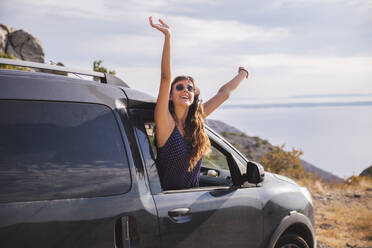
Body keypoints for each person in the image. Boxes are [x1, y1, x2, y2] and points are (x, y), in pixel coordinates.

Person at [149, 16, 249, 190]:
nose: (185, 90)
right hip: (169, 204)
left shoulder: (196, 119)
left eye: (190, 88)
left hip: (193, 202)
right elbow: (166, 79)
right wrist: (168, 37)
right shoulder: (165, 122)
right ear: (170, 96)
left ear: (194, 95)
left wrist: (243, 73)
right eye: (179, 87)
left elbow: (224, 94)